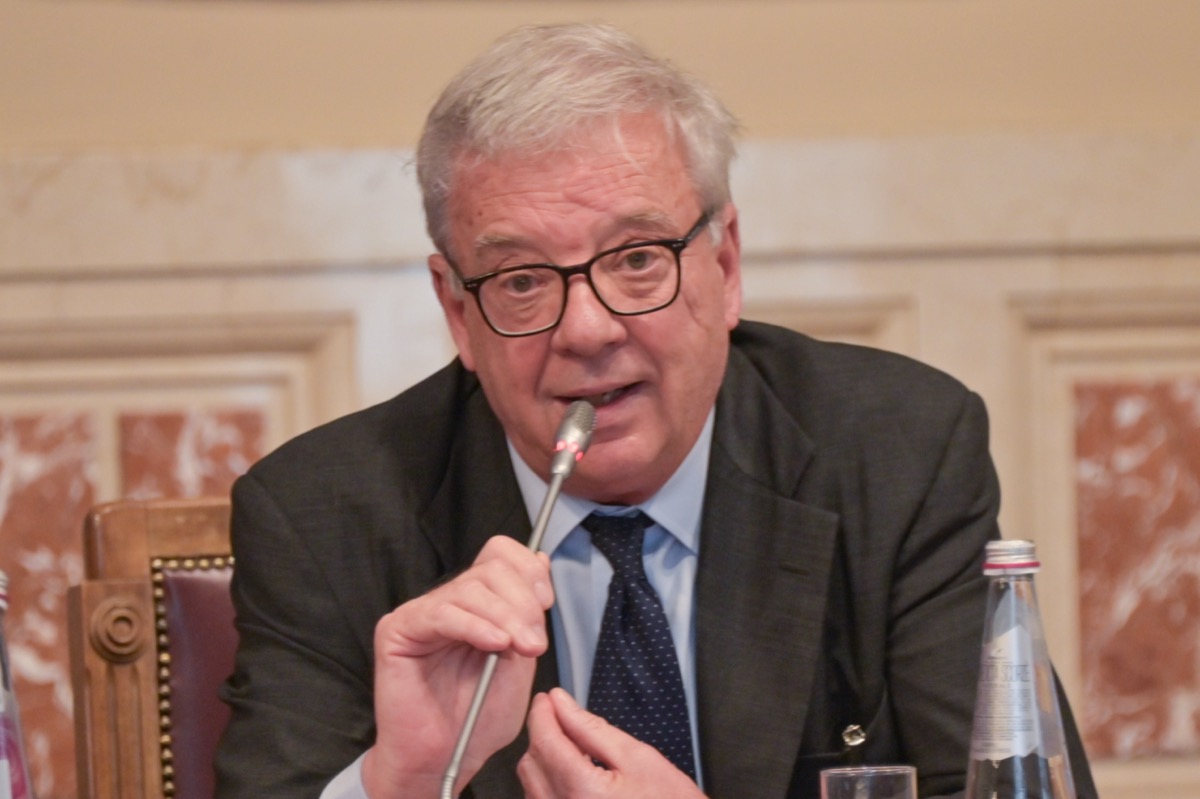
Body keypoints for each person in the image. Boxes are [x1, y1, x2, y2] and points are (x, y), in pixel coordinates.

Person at [215, 22, 1097, 799]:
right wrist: (399, 784)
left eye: (638, 259)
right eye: (522, 281)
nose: (587, 330)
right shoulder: (322, 518)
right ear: (457, 311)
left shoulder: (896, 453)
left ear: (726, 266)